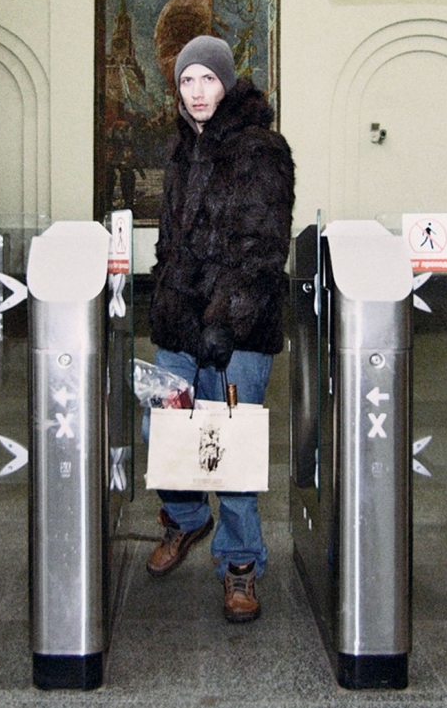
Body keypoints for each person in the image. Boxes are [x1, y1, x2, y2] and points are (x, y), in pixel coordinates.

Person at [145, 34, 295, 623]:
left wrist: (224, 323)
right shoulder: (182, 149)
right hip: (179, 324)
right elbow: (170, 242)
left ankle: (240, 563)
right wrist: (167, 303)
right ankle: (185, 519)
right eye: (187, 80)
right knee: (169, 433)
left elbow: (262, 249)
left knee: (226, 449)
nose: (197, 91)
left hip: (239, 330)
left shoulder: (262, 149)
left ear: (227, 82)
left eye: (207, 79)